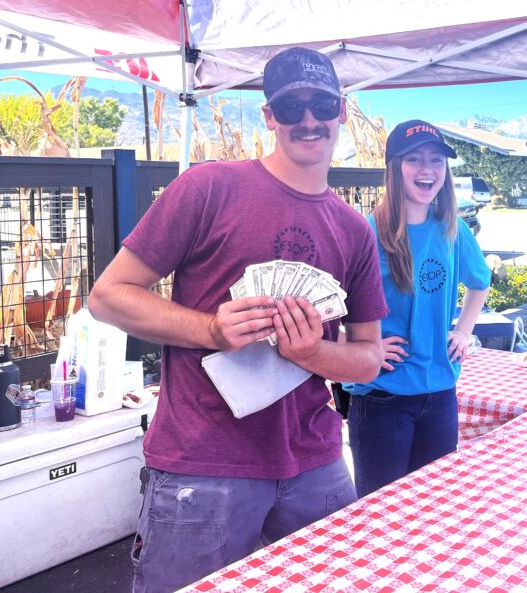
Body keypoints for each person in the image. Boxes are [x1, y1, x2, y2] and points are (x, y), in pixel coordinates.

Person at [87, 47, 387, 593]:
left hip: (316, 461)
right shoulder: (208, 188)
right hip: (202, 463)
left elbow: (368, 357)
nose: (308, 120)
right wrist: (209, 329)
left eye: (321, 104)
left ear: (342, 110)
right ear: (269, 116)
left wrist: (313, 352)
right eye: (291, 107)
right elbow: (108, 296)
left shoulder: (353, 229)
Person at [345, 120, 491, 497]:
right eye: (414, 159)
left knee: (435, 507)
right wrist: (366, 345)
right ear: (395, 169)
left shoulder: (452, 229)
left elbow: (480, 282)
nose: (428, 170)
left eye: (436, 161)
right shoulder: (366, 232)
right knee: (381, 512)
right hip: (382, 398)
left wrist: (463, 330)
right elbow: (333, 305)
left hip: (441, 392)